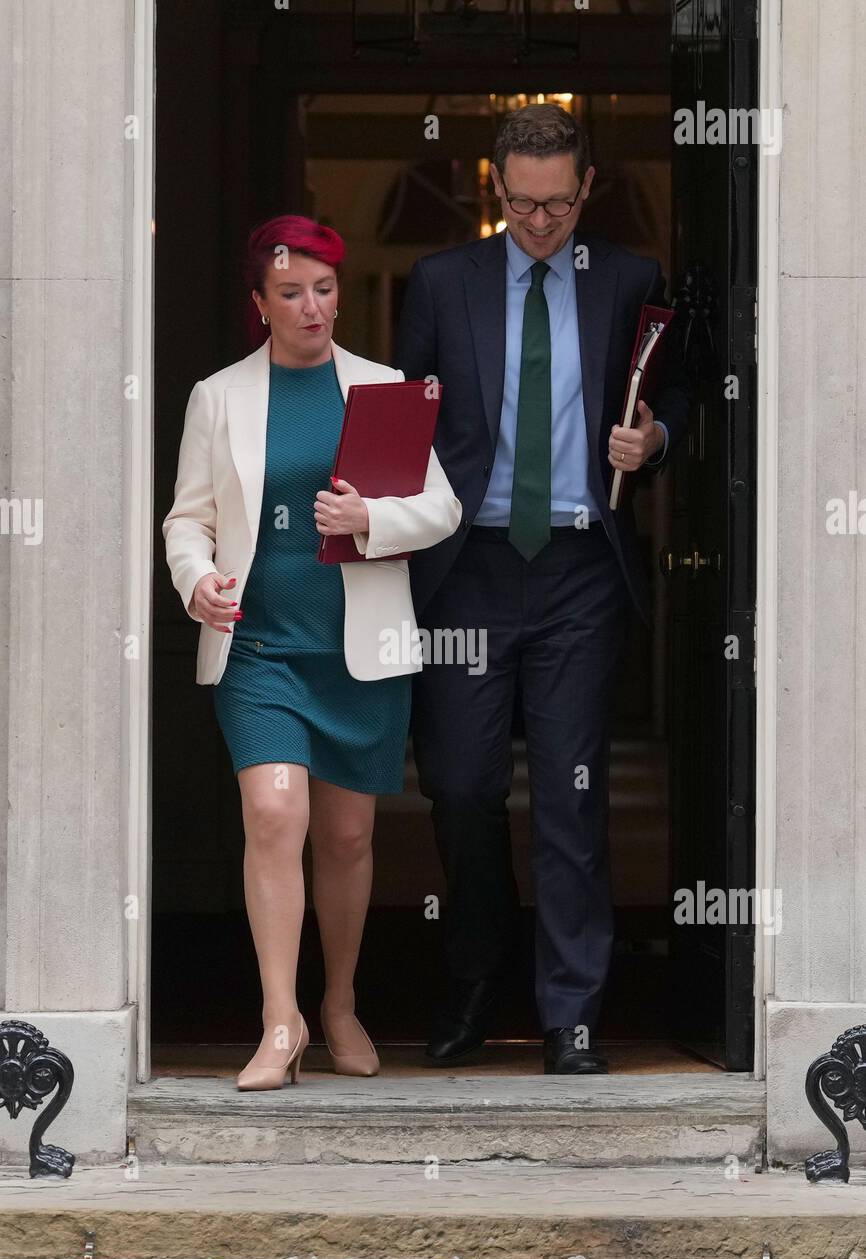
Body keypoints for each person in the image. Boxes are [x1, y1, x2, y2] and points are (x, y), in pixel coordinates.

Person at [396, 104, 692, 1075]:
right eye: (522, 204)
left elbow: (681, 389)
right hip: (465, 566)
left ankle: (571, 1013)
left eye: (558, 204)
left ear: (586, 188)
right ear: (494, 188)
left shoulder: (628, 281)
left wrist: (651, 440)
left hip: (575, 571)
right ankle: (476, 979)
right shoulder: (442, 282)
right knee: (462, 784)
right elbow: (407, 413)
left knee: (572, 795)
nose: (539, 222)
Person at [162, 215, 461, 1090]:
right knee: (274, 817)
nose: (313, 306)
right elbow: (190, 517)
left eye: (325, 289)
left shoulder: (384, 387)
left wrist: (373, 519)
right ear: (260, 303)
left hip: (358, 651)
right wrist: (195, 579)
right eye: (291, 292)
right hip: (258, 648)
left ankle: (339, 1002)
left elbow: (441, 507)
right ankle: (280, 1019)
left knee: (345, 834)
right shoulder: (218, 397)